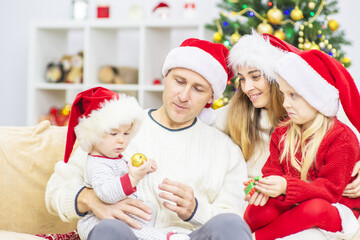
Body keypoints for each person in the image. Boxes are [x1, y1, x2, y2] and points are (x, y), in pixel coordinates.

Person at [45, 38, 252, 240]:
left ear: (210, 98)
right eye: (179, 81)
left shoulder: (225, 150)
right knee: (109, 229)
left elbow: (236, 217)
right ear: (165, 78)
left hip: (188, 236)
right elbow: (56, 189)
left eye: (198, 89)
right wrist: (90, 200)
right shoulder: (117, 126)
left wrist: (196, 209)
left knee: (230, 224)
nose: (184, 95)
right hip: (128, 234)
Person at [215, 31, 360, 239]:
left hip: (331, 205)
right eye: (242, 79)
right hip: (292, 198)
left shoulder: (339, 134)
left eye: (255, 76)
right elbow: (271, 171)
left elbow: (331, 188)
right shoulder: (283, 130)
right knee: (258, 210)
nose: (247, 87)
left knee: (314, 209)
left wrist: (285, 186)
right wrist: (262, 186)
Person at [63, 87, 190, 240]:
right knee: (134, 225)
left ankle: (164, 235)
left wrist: (144, 166)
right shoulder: (97, 164)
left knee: (145, 212)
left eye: (126, 133)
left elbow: (122, 168)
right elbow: (106, 193)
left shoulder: (112, 156)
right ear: (93, 135)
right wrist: (133, 178)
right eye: (114, 133)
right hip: (99, 222)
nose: (121, 140)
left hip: (121, 216)